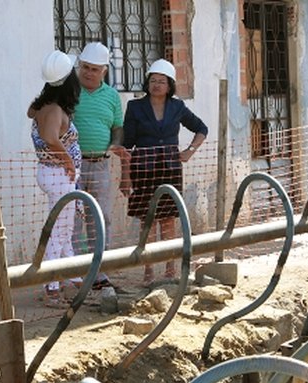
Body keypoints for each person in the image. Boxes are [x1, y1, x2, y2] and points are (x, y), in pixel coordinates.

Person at [29, 42, 129, 290]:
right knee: (67, 224)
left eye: (95, 69)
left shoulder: (111, 96)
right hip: (68, 169)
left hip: (98, 164)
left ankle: (95, 272)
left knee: (98, 218)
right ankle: (64, 277)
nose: (88, 72)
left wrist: (114, 146)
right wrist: (68, 161)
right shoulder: (62, 97)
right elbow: (48, 131)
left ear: (104, 71)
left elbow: (118, 127)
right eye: (84, 67)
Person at [121, 59, 208, 284]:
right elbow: (127, 144)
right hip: (143, 168)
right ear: (147, 83)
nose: (157, 85)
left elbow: (201, 128)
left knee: (168, 219)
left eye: (161, 81)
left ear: (169, 85)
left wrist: (189, 151)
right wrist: (126, 176)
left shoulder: (177, 107)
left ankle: (170, 268)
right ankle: (148, 270)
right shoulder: (135, 107)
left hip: (170, 168)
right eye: (153, 80)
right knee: (146, 220)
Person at [29, 50, 83, 306]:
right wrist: (68, 161)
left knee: (64, 230)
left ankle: (72, 279)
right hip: (58, 175)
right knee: (59, 232)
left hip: (54, 174)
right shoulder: (53, 110)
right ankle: (52, 287)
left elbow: (31, 112)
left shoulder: (43, 105)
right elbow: (50, 138)